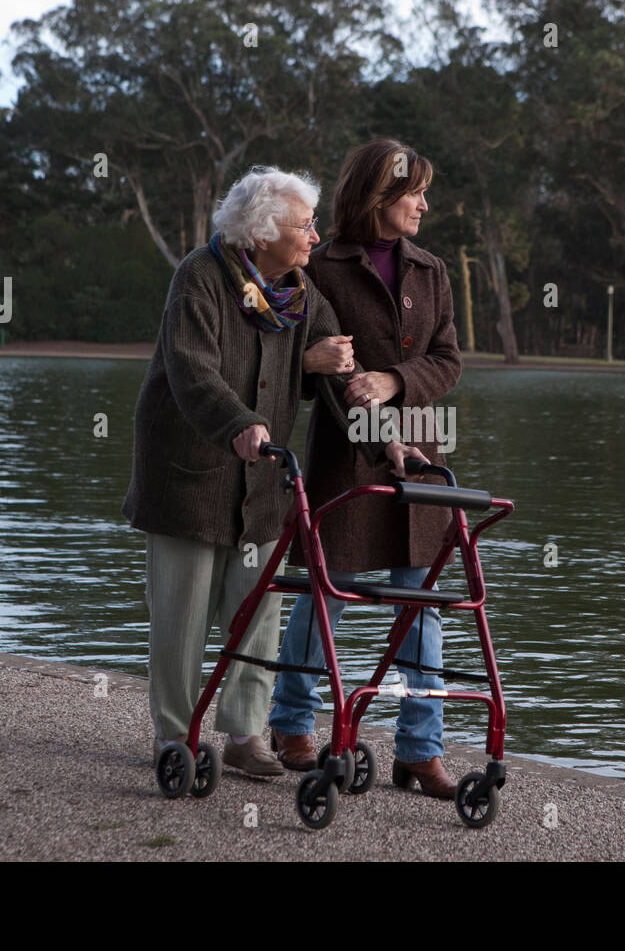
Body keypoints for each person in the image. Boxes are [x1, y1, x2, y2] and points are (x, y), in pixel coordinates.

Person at [122, 166, 357, 777]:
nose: (315, 235)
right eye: (304, 225)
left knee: (256, 614)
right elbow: (194, 368)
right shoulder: (200, 277)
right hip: (188, 473)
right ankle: (175, 735)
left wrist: (391, 440)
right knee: (182, 617)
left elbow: (336, 371)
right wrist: (239, 420)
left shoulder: (298, 292)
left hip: (261, 482)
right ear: (262, 231)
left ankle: (245, 735)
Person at [268, 139, 463, 798]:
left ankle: (420, 750)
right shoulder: (314, 268)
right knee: (328, 595)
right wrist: (335, 374)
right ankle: (291, 723)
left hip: (423, 456)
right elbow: (290, 359)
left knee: (424, 603)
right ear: (381, 197)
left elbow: (448, 361)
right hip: (344, 456)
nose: (425, 205)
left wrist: (394, 379)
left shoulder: (432, 270)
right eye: (415, 194)